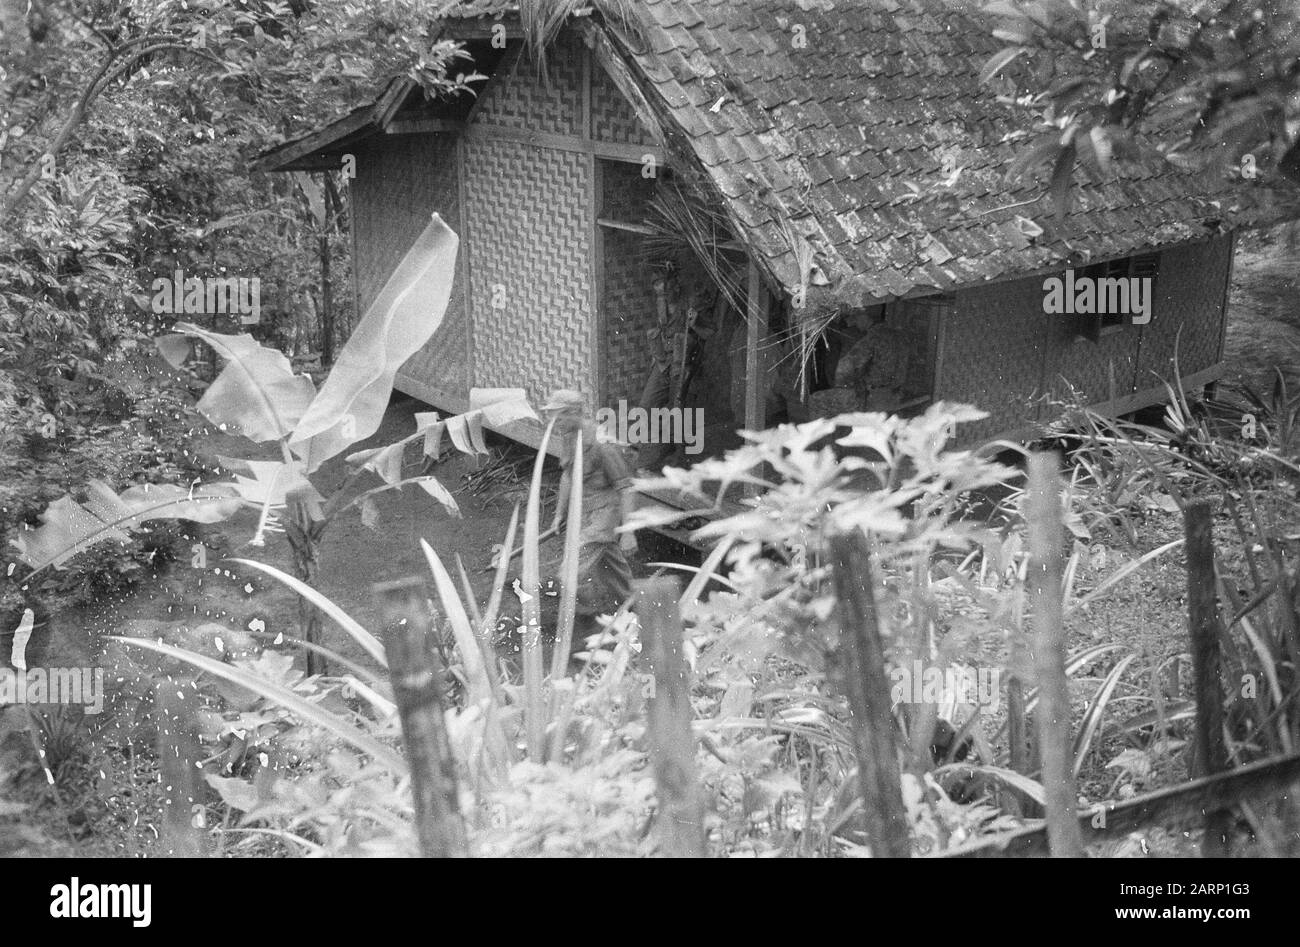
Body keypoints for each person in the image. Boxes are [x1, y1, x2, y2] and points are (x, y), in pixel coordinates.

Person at [543, 389, 639, 655]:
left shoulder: (602, 443)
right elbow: (566, 476)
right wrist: (558, 515)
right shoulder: (569, 437)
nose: (555, 422)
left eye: (559, 416)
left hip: (604, 515)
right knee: (611, 568)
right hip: (584, 512)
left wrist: (628, 531)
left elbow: (626, 488)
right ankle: (633, 607)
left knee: (570, 569)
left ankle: (577, 627)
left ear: (575, 412)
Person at [832, 308, 909, 410]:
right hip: (897, 394)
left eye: (856, 318)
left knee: (816, 401)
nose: (855, 323)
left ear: (865, 317)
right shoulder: (899, 335)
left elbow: (846, 365)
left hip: (877, 397)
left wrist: (841, 388)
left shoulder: (873, 337)